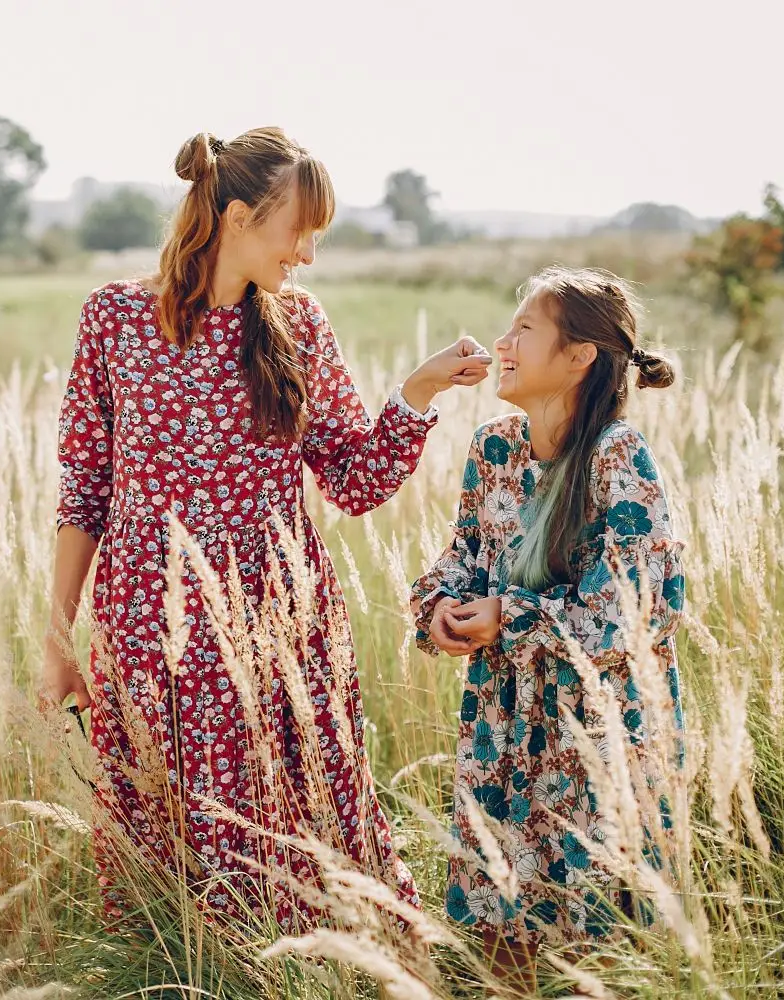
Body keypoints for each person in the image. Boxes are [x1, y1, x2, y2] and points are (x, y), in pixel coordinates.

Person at [39, 127, 491, 930]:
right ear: (239, 217)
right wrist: (56, 642)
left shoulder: (299, 326)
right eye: (300, 230)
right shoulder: (113, 318)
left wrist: (417, 391)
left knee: (301, 826)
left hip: (278, 622)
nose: (308, 254)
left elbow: (353, 480)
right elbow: (85, 492)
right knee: (162, 842)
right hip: (149, 623)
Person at [410, 266, 686, 994]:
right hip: (505, 734)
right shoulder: (494, 450)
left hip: (592, 740)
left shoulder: (617, 458)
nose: (502, 341)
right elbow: (463, 558)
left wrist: (512, 616)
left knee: (593, 946)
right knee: (506, 934)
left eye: (524, 329)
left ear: (578, 356)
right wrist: (441, 606)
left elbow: (635, 607)